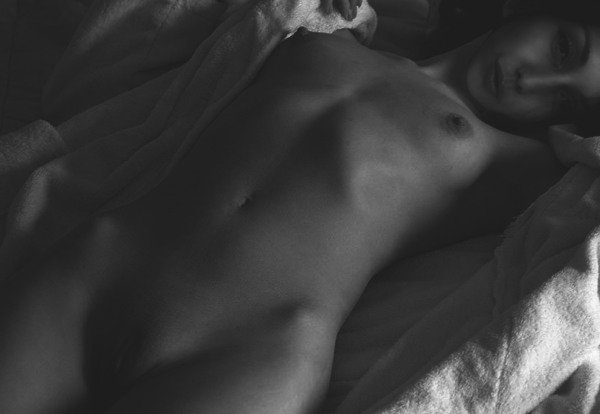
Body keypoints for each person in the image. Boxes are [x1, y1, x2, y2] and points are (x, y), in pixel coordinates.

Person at [0, 2, 593, 413]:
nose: (535, 81)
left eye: (564, 99)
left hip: (251, 348)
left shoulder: (510, 157)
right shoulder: (325, 31)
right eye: (563, 47)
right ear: (529, 8)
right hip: (103, 268)